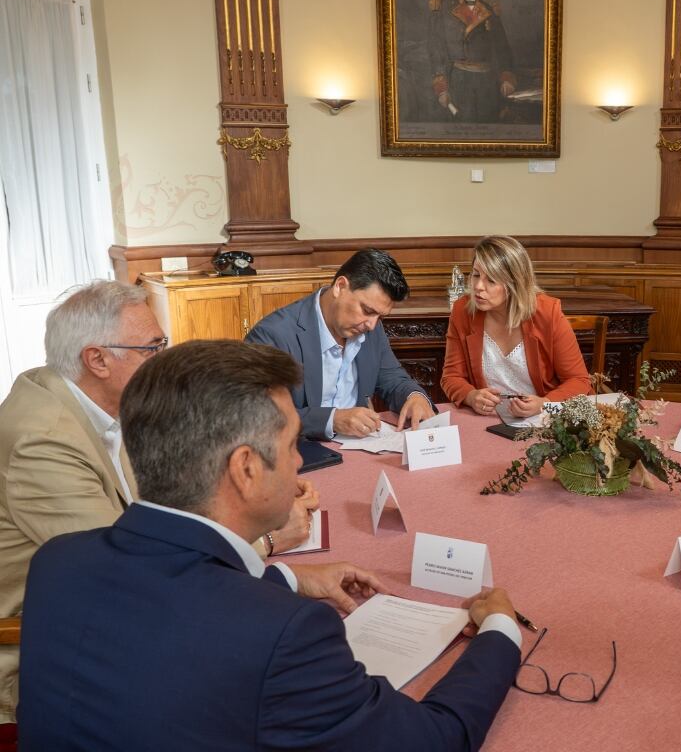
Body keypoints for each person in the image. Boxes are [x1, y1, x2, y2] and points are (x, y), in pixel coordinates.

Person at [18, 340, 523, 749]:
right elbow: (434, 741)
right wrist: (500, 630)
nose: (300, 463)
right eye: (291, 447)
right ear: (245, 469)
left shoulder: (59, 563)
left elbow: (170, 605)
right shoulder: (286, 634)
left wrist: (282, 577)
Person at [0, 282, 315, 729]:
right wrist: (264, 539)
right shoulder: (42, 438)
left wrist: (260, 490)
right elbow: (132, 575)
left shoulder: (100, 403)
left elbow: (160, 510)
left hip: (107, 614)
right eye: (152, 348)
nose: (163, 360)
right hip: (50, 654)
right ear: (97, 359)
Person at [246, 248, 436, 439]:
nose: (372, 325)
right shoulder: (272, 335)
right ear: (340, 286)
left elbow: (392, 377)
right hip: (299, 453)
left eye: (380, 317)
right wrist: (332, 420)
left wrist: (414, 396)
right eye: (367, 310)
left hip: (360, 449)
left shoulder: (371, 326)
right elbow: (257, 414)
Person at [442, 235, 590, 418]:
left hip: (540, 419)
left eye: (492, 280)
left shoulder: (548, 313)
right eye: (476, 274)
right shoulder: (463, 310)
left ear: (515, 284)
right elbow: (451, 377)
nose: (478, 286)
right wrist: (471, 396)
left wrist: (545, 404)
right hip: (487, 418)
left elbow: (579, 380)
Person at [428, 0, 516, 123]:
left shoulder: (489, 10)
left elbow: (502, 48)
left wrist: (507, 78)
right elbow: (436, 50)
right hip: (459, 84)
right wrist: (441, 88)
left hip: (488, 85)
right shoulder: (443, 9)